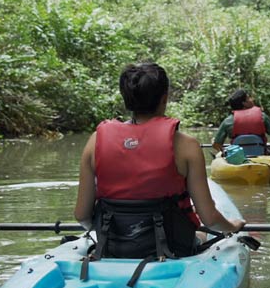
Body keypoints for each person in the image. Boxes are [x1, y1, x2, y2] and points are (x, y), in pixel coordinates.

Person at [74, 62, 244, 261]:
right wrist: (233, 226)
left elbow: (82, 216)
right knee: (201, 233)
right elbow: (210, 218)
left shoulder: (95, 142)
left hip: (113, 248)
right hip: (171, 251)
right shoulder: (187, 146)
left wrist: (110, 234)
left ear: (126, 100)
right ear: (165, 98)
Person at [211, 89, 270, 156]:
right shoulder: (262, 116)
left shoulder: (228, 121)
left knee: (213, 141)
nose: (252, 99)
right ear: (244, 103)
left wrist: (222, 150)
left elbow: (217, 144)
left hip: (238, 157)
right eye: (249, 98)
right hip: (261, 154)